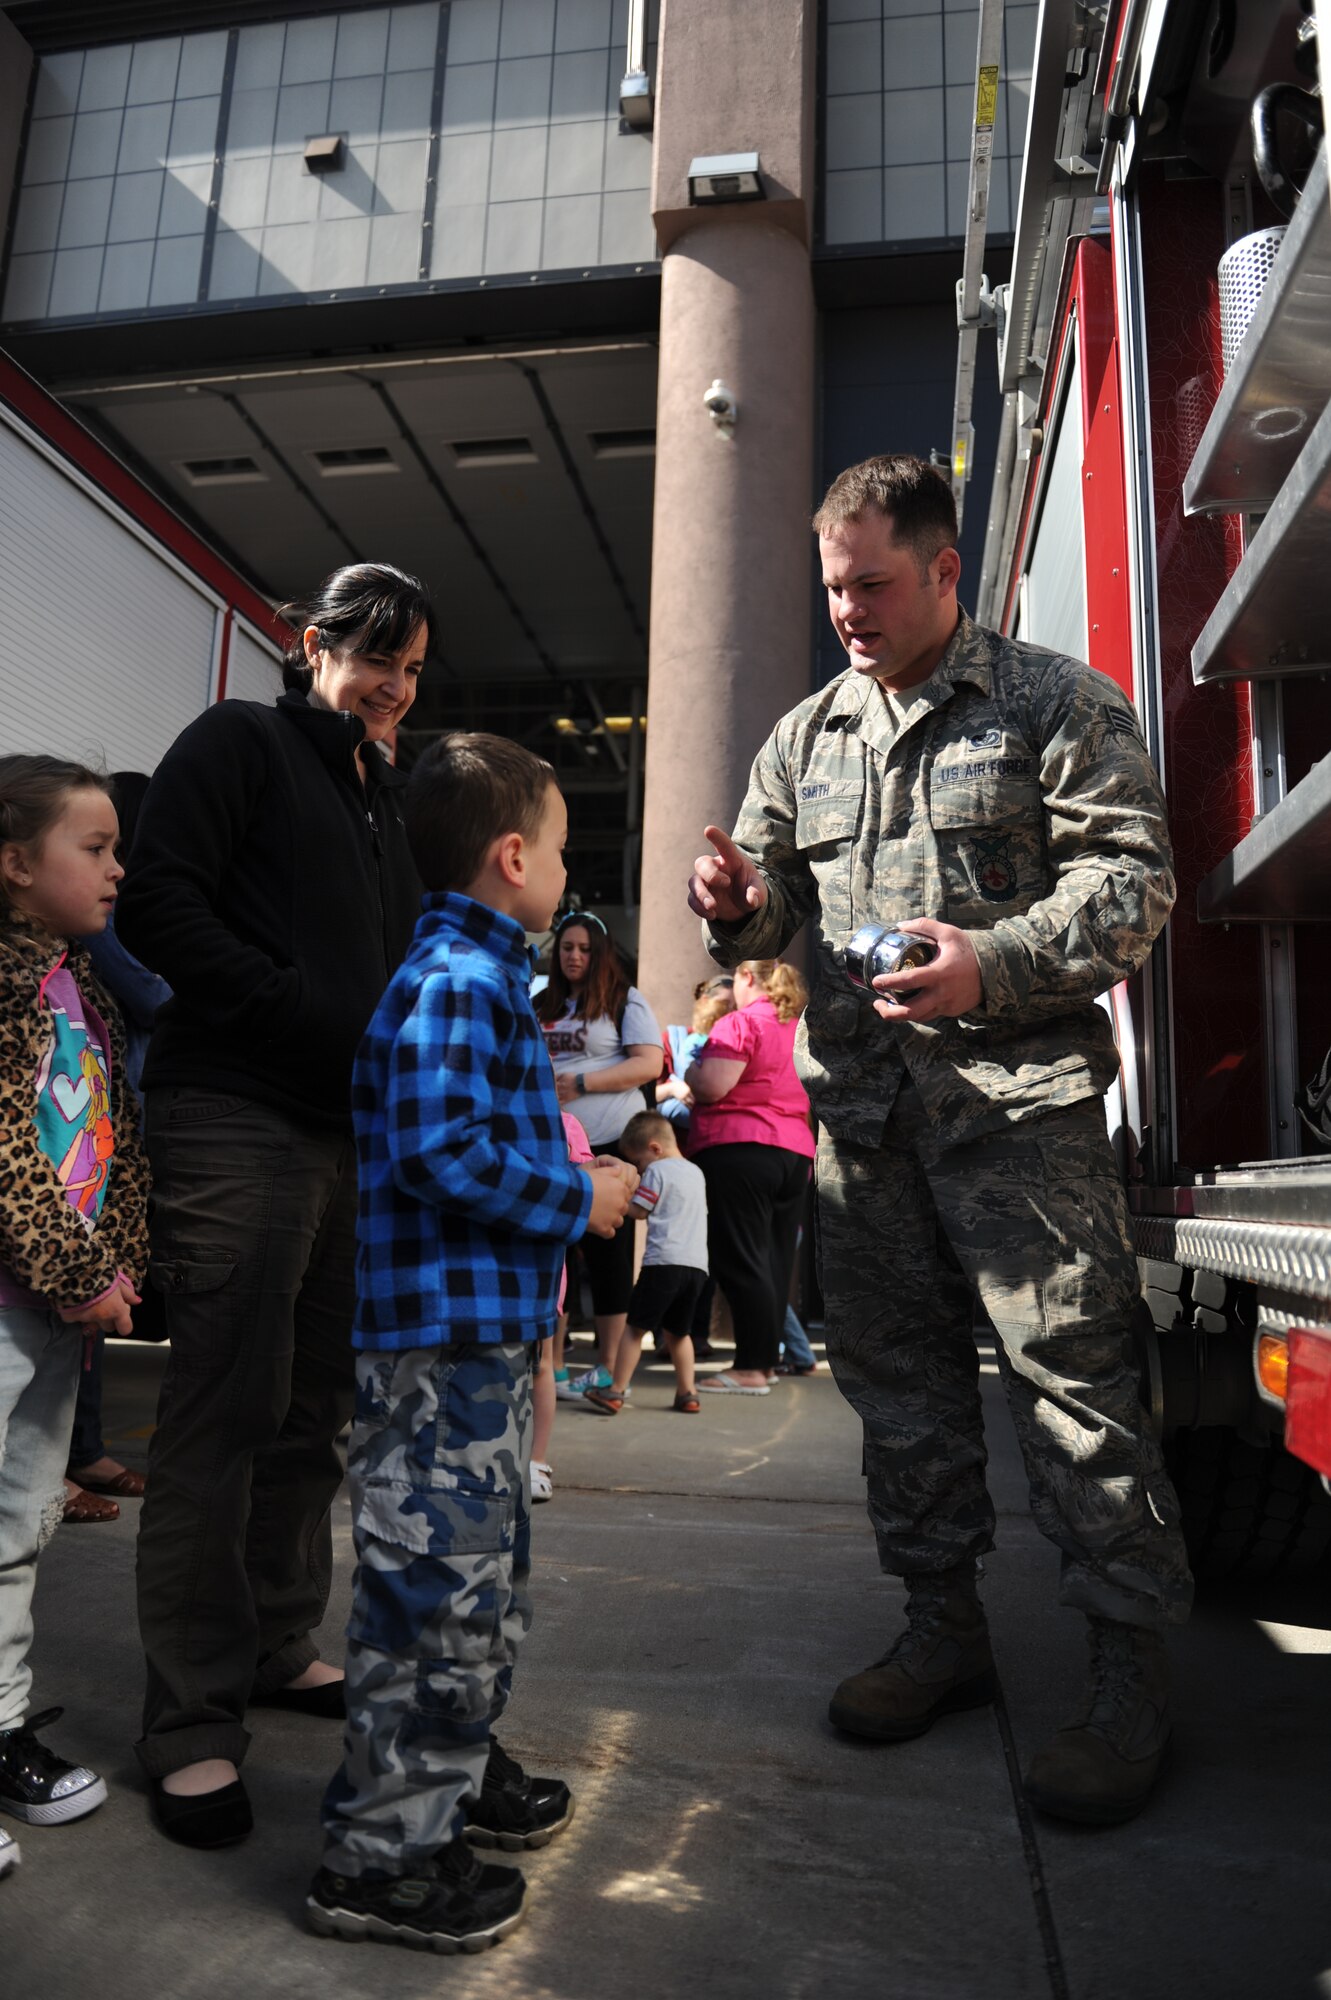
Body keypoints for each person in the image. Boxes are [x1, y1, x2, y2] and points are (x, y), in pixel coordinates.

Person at [688, 453, 1191, 1826]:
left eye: (870, 583)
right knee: (900, 1399)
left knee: (1075, 1401)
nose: (846, 609)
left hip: (1016, 1119)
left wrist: (993, 959)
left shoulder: (1046, 704)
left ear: (941, 570)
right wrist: (728, 899)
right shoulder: (804, 736)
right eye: (831, 585)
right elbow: (766, 904)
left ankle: (1126, 1677)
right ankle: (939, 1630)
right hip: (864, 1126)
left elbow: (1132, 879)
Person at [117, 563, 436, 1848]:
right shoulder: (237, 740)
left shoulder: (379, 793)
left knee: (312, 1409)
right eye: (376, 659)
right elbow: (158, 904)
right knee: (226, 1408)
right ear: (312, 644)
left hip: (344, 1133)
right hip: (237, 1113)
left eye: (412, 670)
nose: (394, 688)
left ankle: (273, 1638)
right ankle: (189, 1722)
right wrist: (301, 1011)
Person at [311, 731, 637, 1953]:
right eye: (557, 847)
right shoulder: (456, 978)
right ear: (512, 856)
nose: (565, 870)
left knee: (478, 1588)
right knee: (428, 1598)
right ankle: (378, 1860)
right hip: (439, 1350)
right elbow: (440, 1150)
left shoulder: (482, 976)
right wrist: (578, 1200)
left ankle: (445, 1782)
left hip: (476, 1346)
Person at [0, 757, 149, 1869]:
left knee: (17, 1529)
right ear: (14, 862)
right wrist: (72, 1267)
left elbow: (109, 1140)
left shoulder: (79, 983)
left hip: (55, 1307)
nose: (116, 867)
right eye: (91, 848)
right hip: (18, 1294)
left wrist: (119, 1264)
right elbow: (5, 1156)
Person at [64, 771, 171, 1525]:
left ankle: (73, 1456)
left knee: (83, 1324)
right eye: (99, 849)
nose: (120, 869)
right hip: (62, 1217)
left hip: (93, 1182)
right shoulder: (77, 950)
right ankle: (55, 1467)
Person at [536, 912, 662, 1395]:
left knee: (610, 1258)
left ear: (601, 953)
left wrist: (581, 1082)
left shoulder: (625, 1000)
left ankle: (608, 1368)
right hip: (554, 1147)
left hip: (609, 1144)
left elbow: (648, 1063)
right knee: (557, 1256)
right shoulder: (539, 1003)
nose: (574, 956)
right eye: (567, 947)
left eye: (585, 948)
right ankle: (554, 1366)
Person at [685, 961, 815, 1395]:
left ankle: (752, 1367)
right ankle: (765, 1362)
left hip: (741, 1146)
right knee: (775, 1262)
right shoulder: (797, 1028)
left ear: (745, 977)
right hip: (794, 1151)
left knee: (740, 1257)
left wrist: (690, 1072)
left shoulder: (739, 1023)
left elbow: (712, 1086)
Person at [585, 1110, 708, 1416]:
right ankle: (687, 1392)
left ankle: (615, 1391)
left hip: (662, 1263)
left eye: (639, 1161)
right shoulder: (696, 1172)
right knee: (679, 1333)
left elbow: (639, 1211)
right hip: (695, 1266)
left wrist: (619, 1196)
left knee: (634, 1329)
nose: (640, 1168)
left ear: (655, 1149)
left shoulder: (658, 1171)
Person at [656, 974, 735, 1135]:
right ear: (705, 1001)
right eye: (724, 1004)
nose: (730, 1013)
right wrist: (673, 1089)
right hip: (676, 1143)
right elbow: (643, 1096)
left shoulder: (741, 1044)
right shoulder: (672, 1040)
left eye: (736, 1008)